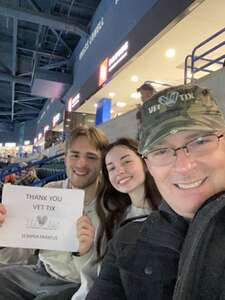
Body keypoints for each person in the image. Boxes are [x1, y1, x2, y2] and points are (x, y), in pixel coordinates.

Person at [86, 84, 225, 300]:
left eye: (200, 141)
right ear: (149, 165)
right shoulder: (125, 242)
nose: (184, 165)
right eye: (161, 151)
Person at [0, 125, 109, 300]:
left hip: (78, 283)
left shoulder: (111, 205)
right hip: (39, 272)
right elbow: (19, 254)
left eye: (91, 157)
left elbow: (101, 276)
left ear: (102, 162)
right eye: (74, 155)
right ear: (65, 158)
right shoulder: (50, 190)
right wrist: (4, 235)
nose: (81, 163)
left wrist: (84, 252)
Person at [72, 138, 161, 300]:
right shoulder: (111, 218)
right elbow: (95, 274)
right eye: (111, 168)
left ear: (145, 163)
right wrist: (83, 251)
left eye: (126, 162)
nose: (119, 171)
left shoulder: (171, 211)